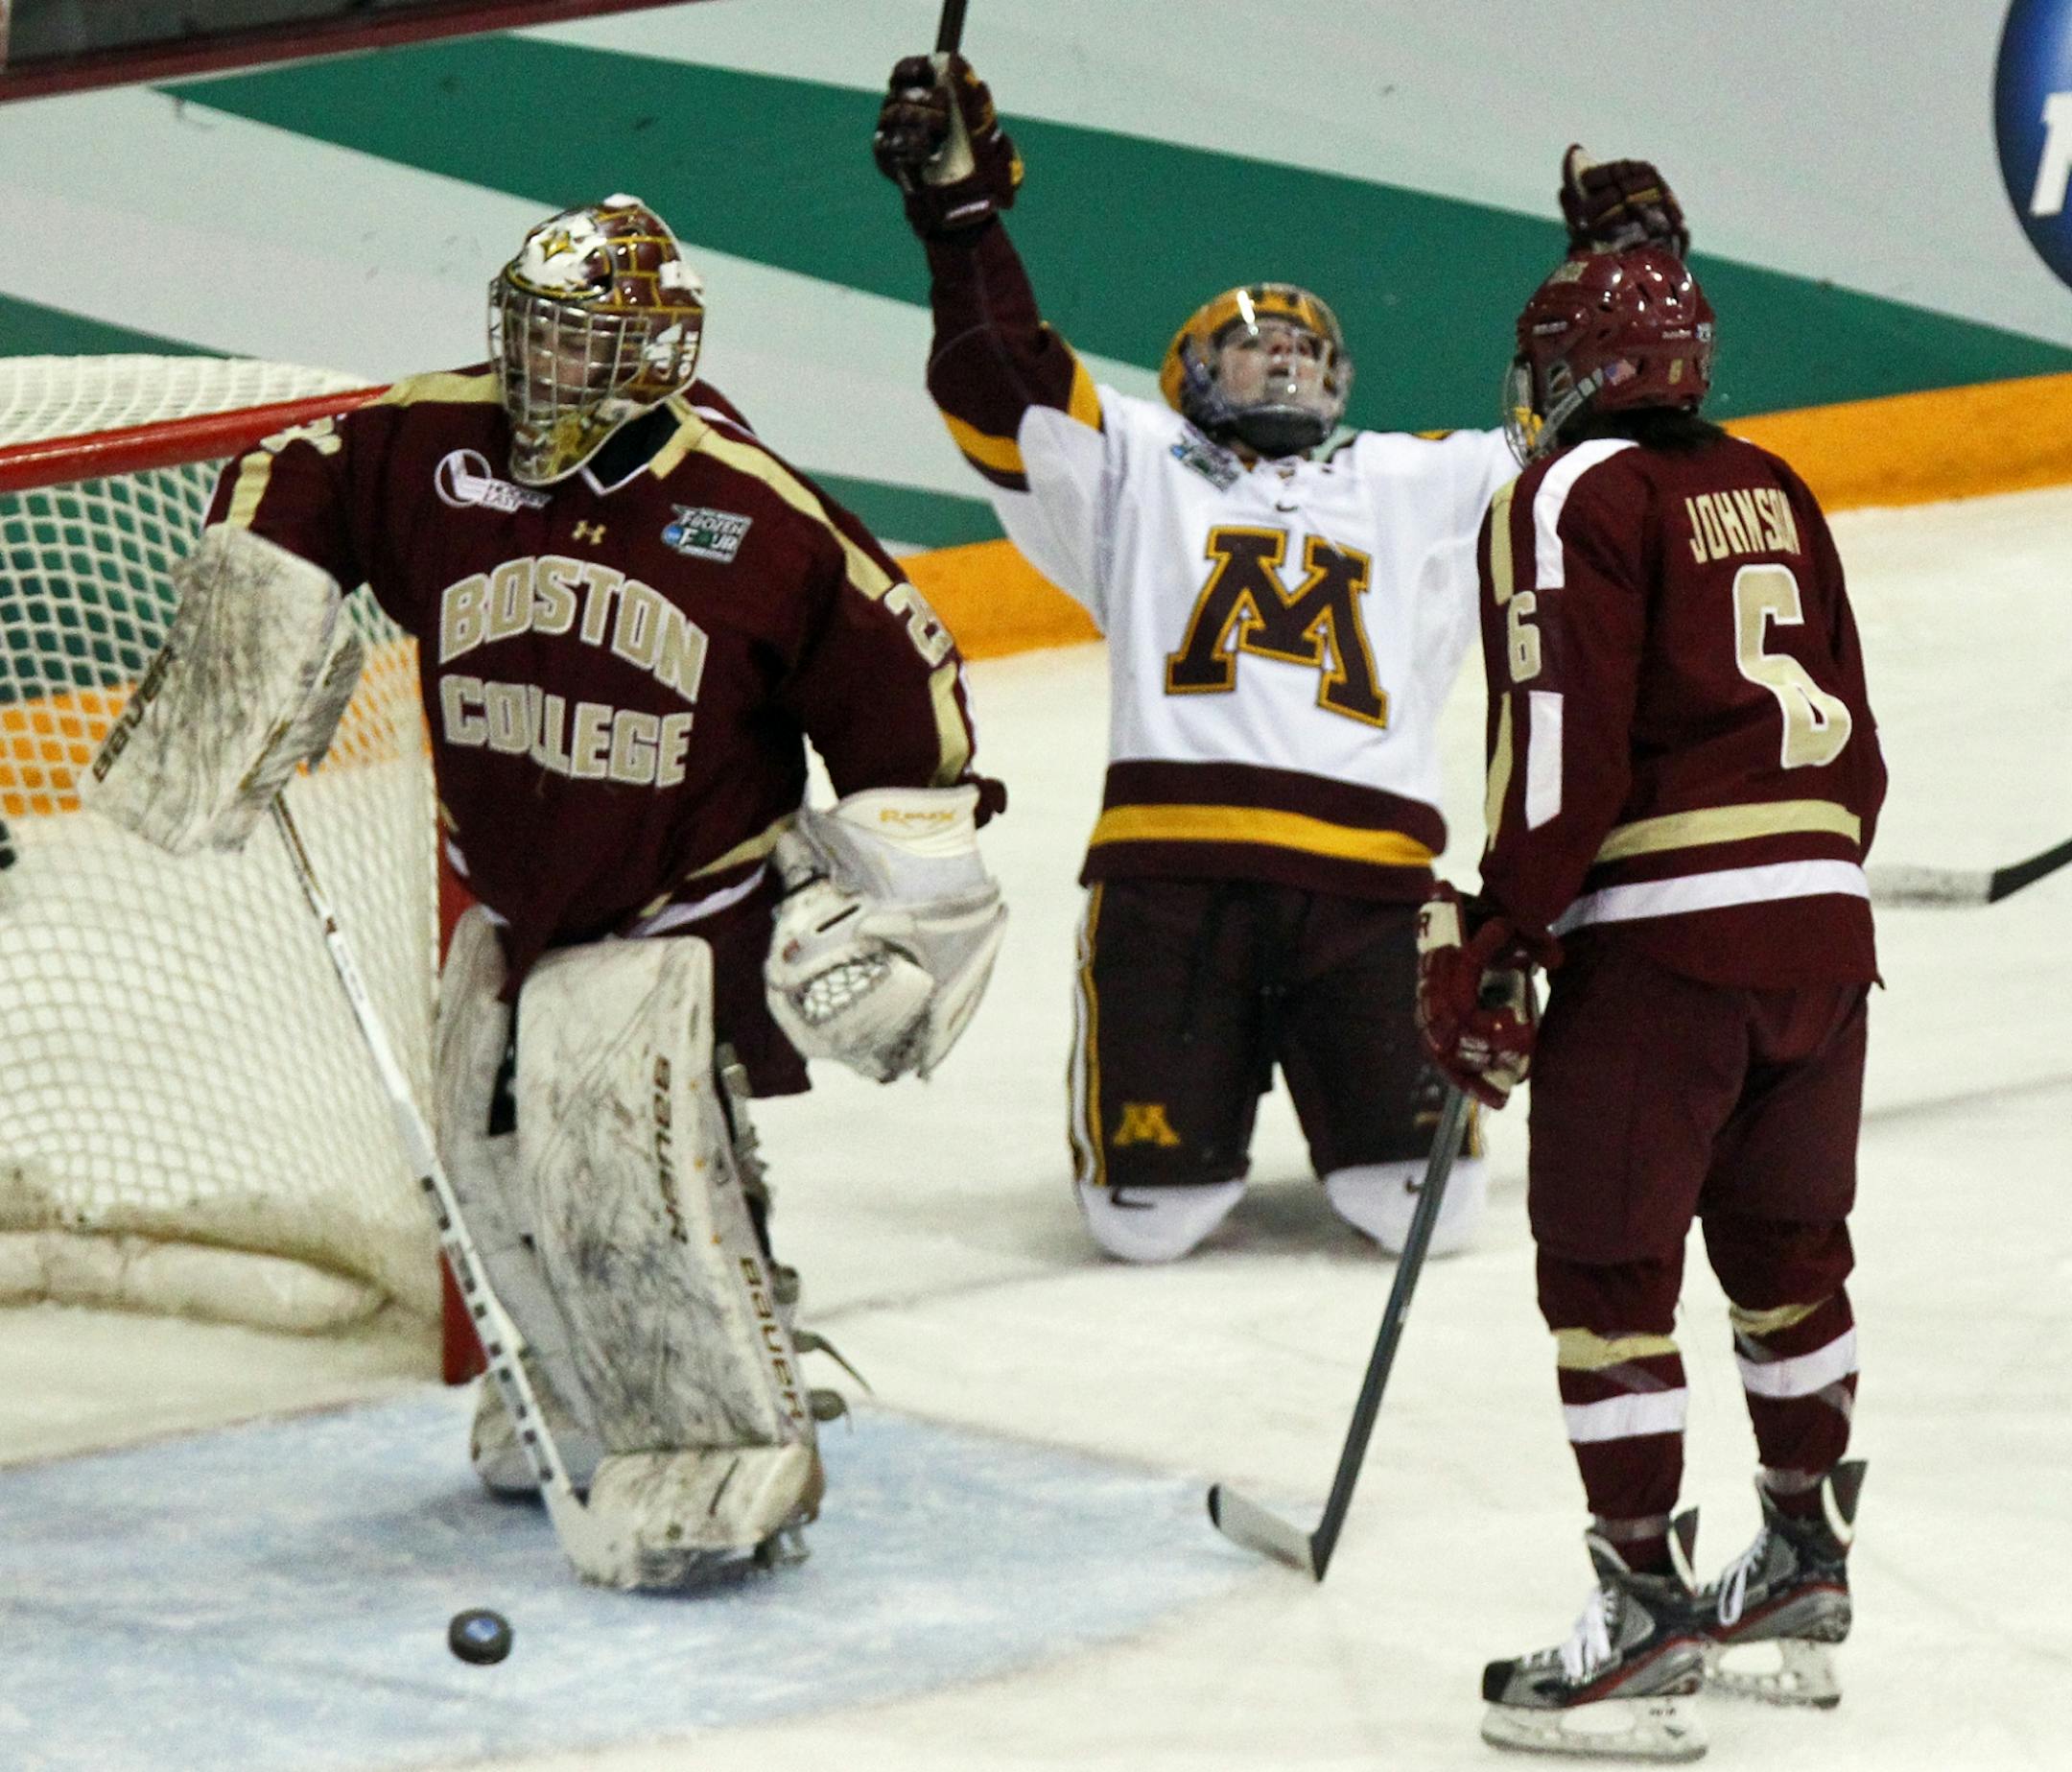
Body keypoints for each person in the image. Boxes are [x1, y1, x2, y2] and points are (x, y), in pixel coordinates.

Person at [85, 195, 1007, 1589]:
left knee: (617, 1176)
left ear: (655, 357)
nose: (539, 374)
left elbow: (912, 704)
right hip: (505, 900)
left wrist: (905, 900)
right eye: (529, 336)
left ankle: (715, 1446)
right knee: (488, 1164)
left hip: (675, 911)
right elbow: (294, 467)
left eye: (579, 347)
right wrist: (256, 613)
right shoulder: (434, 442)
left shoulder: (755, 516)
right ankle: (576, 1392)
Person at [872, 55, 1686, 1264]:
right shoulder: (1137, 463)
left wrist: (1637, 278)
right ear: (1190, 374)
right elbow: (999, 378)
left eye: (1307, 345)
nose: (1286, 357)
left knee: (1425, 1209)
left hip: (1371, 894)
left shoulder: (1420, 476)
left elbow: (1602, 446)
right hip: (1169, 889)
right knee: (1145, 1221)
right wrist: (962, 222)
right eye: (1253, 345)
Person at [1415, 247, 1884, 1760]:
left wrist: (1501, 924)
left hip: (1665, 950)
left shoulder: (1565, 496)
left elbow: (1565, 740)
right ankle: (1804, 1566)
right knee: (1790, 1253)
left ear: (1566, 371)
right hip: (1823, 935)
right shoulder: (1775, 481)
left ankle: (1641, 1614)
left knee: (1609, 1276)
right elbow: (1855, 750)